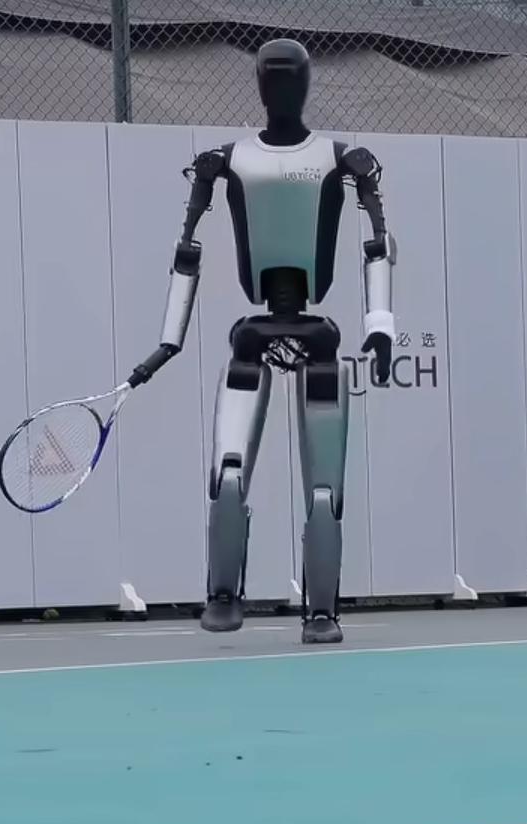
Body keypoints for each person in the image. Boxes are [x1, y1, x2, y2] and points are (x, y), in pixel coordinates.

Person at [123, 38, 397, 645]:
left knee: (324, 490)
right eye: (272, 79)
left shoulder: (340, 159)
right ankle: (223, 593)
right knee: (228, 475)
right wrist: (166, 343)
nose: (281, 89)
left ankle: (321, 610)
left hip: (319, 340)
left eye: (289, 78)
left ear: (304, 85)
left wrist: (380, 325)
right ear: (260, 86)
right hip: (252, 338)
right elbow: (187, 252)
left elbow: (378, 244)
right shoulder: (229, 160)